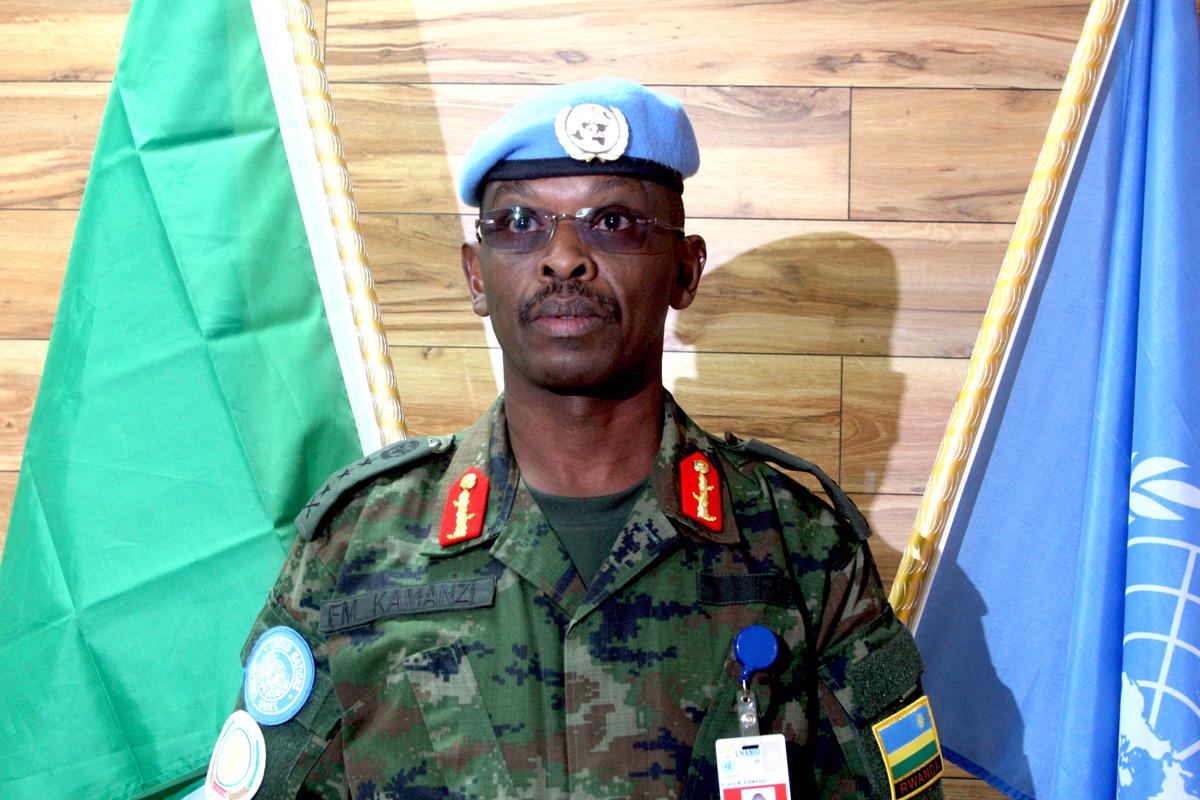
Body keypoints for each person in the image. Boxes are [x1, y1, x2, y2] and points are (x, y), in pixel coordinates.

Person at [222, 78, 944, 800]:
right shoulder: (356, 544)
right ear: (476, 276)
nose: (563, 256)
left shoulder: (802, 547)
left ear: (685, 270)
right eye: (519, 222)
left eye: (614, 223)